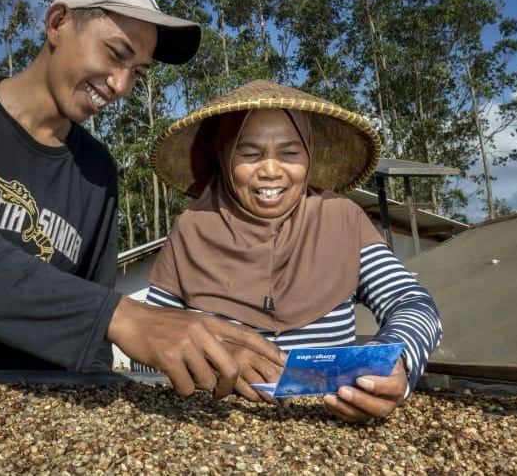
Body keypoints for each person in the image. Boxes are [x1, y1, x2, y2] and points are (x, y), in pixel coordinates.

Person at [0, 0, 284, 398]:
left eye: (137, 71)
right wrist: (123, 317)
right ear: (57, 22)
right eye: (116, 54)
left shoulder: (98, 172)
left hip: (27, 409)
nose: (120, 85)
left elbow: (89, 323)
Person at [143, 80, 443, 420]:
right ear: (225, 156)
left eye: (289, 153)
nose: (271, 170)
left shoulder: (340, 219)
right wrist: (215, 356)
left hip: (331, 422)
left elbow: (412, 302)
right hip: (214, 425)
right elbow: (151, 340)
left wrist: (394, 360)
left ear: (308, 157)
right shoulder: (191, 228)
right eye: (250, 153)